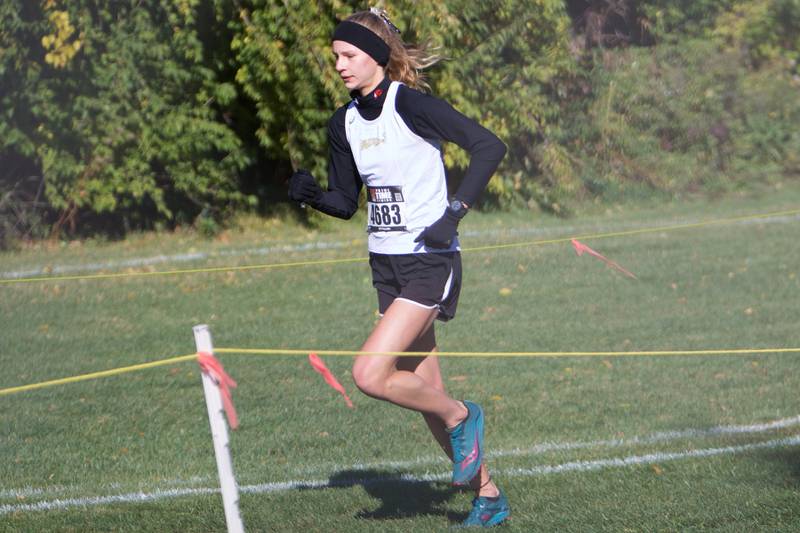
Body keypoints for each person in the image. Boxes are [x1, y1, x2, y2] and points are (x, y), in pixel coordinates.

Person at [288, 8, 509, 527]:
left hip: (429, 263)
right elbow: (346, 202)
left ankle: (464, 415)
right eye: (336, 57)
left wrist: (453, 214)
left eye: (349, 55)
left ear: (376, 56)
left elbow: (488, 146)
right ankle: (490, 495)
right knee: (426, 396)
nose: (339, 65)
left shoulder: (409, 105)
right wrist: (312, 196)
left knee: (370, 374)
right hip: (386, 267)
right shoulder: (342, 122)